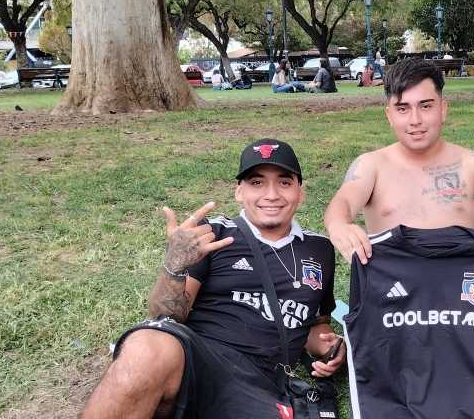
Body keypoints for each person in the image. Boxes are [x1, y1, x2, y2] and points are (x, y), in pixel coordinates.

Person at [80, 139, 345, 419]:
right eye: (256, 183)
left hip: (263, 382)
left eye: (284, 182)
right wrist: (174, 266)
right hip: (200, 359)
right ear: (239, 192)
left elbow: (316, 325)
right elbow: (164, 316)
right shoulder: (213, 234)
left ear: (300, 193)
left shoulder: (320, 249)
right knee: (146, 347)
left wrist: (329, 347)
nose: (271, 194)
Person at [324, 57, 474, 266]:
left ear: (443, 109)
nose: (415, 120)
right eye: (403, 109)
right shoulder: (371, 166)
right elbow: (342, 203)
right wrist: (339, 226)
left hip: (457, 289)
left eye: (426, 106)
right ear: (389, 116)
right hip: (393, 292)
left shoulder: (472, 164)